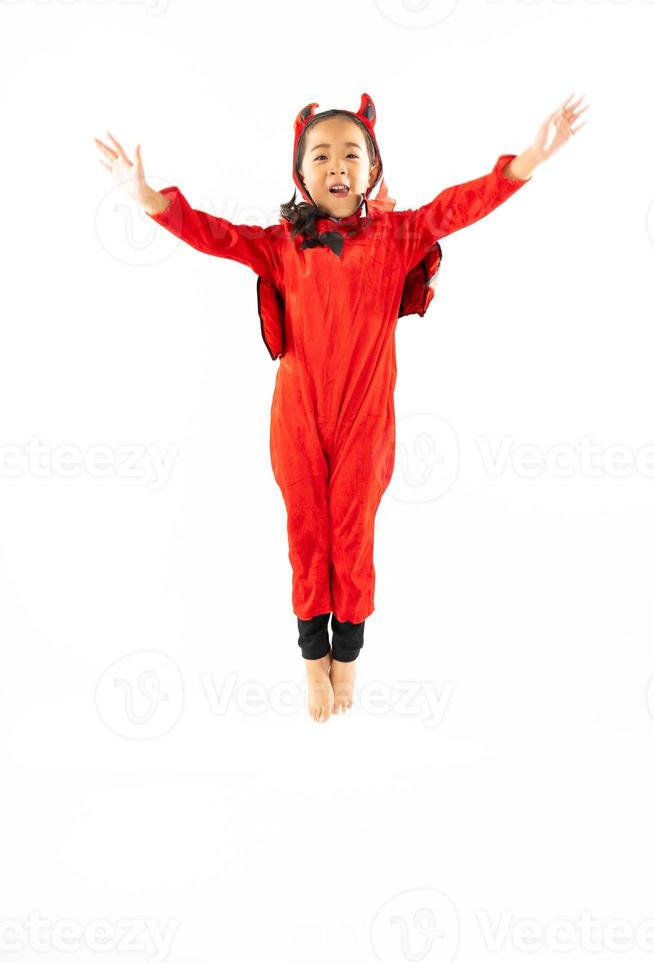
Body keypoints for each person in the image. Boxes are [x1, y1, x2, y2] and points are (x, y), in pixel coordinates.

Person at [94, 90, 588, 723]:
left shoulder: (397, 234)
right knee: (307, 533)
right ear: (300, 174)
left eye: (351, 154)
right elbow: (215, 236)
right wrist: (150, 200)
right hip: (297, 417)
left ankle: (347, 657)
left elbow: (457, 208)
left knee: (350, 533)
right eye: (321, 155)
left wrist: (527, 160)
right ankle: (310, 661)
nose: (336, 166)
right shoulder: (281, 244)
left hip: (364, 419)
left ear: (371, 169)